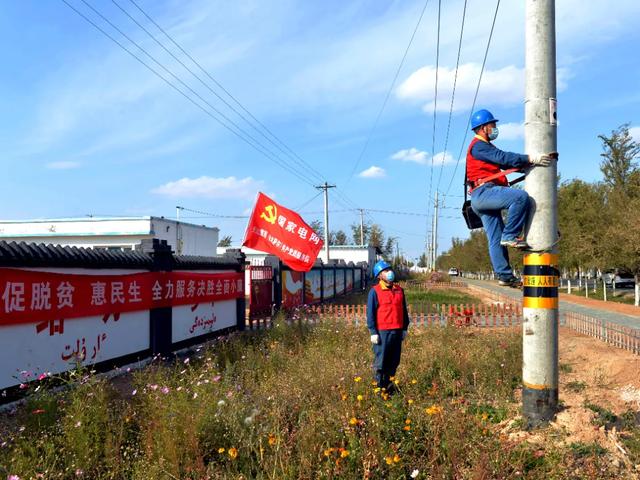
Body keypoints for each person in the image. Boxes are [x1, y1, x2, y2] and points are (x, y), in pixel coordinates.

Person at [466, 109, 556, 287]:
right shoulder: (479, 145)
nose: (495, 128)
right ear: (484, 127)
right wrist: (531, 158)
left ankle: (504, 275)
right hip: (485, 193)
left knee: (495, 239)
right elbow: (504, 158)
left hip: (481, 197)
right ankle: (511, 235)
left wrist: (527, 166)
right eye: (493, 125)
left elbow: (502, 161)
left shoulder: (482, 147)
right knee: (519, 197)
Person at [366, 260, 410, 392]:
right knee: (381, 362)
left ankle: (390, 386)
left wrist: (404, 328)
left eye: (389, 269)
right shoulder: (375, 292)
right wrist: (373, 331)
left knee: (394, 361)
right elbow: (370, 313)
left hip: (397, 330)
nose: (389, 272)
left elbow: (404, 310)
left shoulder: (399, 290)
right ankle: (380, 388)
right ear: (379, 276)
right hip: (382, 332)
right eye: (385, 271)